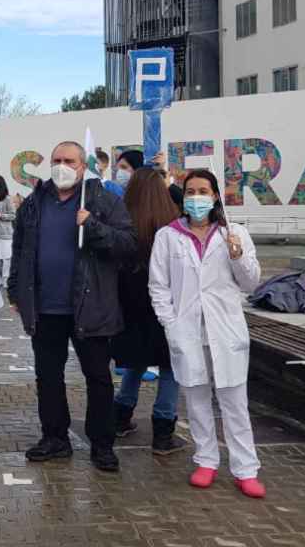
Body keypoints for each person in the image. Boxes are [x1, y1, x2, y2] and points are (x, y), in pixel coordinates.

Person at [8, 141, 137, 472]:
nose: (60, 166)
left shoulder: (102, 201)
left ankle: (102, 444)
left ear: (83, 167)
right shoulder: (34, 204)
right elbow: (20, 248)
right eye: (56, 160)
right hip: (45, 309)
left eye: (68, 160)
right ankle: (55, 438)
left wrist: (92, 226)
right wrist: (16, 291)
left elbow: (127, 245)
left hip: (90, 305)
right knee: (48, 377)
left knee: (98, 377)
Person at [148, 168, 265, 498]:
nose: (196, 197)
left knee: (234, 402)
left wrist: (237, 255)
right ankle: (206, 461)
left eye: (203, 191)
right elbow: (158, 286)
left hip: (225, 331)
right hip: (187, 331)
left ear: (215, 196)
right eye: (190, 191)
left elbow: (251, 282)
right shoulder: (167, 236)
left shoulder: (234, 233)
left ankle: (245, 469)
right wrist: (170, 324)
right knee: (197, 401)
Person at [112, 168, 186, 455]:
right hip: (166, 306)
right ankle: (163, 431)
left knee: (135, 363)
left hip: (130, 306)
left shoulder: (123, 221)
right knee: (170, 367)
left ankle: (121, 416)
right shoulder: (173, 226)